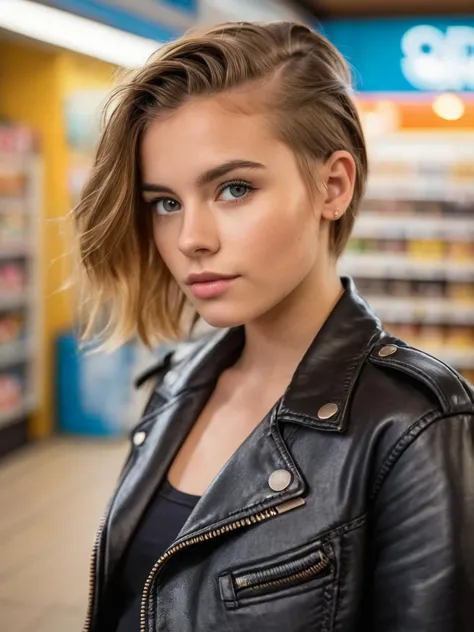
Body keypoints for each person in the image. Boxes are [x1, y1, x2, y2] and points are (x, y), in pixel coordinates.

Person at [74, 21, 474, 632]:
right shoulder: (178, 382)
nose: (190, 240)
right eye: (166, 202)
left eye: (234, 189)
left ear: (332, 186)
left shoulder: (413, 427)